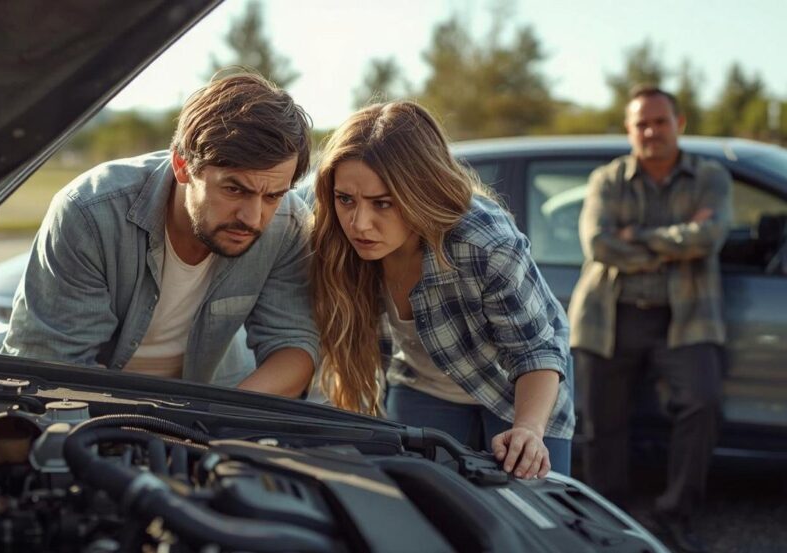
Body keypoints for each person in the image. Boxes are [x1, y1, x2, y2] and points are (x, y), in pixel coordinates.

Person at [1, 73, 318, 397]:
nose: (253, 218)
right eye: (234, 189)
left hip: (214, 399)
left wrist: (213, 416)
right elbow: (56, 363)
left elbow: (294, 346)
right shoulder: (90, 213)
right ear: (182, 164)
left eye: (273, 196)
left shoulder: (287, 224)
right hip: (90, 404)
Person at [310, 101, 574, 478]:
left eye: (383, 203)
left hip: (520, 387)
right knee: (414, 493)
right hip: (423, 385)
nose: (359, 224)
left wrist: (529, 430)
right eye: (346, 199)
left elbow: (534, 350)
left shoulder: (485, 243)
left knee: (525, 502)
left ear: (421, 192)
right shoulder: (333, 241)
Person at [569, 85, 730, 553]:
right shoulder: (607, 179)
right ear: (629, 129)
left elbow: (710, 237)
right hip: (610, 315)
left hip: (685, 316)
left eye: (661, 122)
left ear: (679, 124)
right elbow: (599, 245)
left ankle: (674, 513)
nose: (651, 131)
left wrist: (636, 237)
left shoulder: (710, 177)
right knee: (602, 423)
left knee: (702, 404)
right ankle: (607, 518)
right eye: (642, 123)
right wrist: (678, 243)